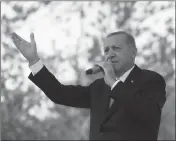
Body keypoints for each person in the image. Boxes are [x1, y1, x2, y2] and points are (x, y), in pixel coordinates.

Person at [11, 31, 166, 140]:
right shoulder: (99, 86)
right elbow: (60, 94)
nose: (110, 54)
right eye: (106, 50)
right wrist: (34, 61)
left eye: (116, 49)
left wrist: (114, 83)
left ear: (133, 52)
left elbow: (147, 112)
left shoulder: (151, 80)